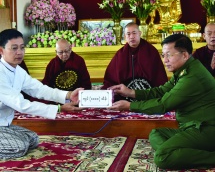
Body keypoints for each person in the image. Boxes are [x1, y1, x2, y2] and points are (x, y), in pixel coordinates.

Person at [108, 34, 215, 170]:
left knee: (162, 157)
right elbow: (161, 91)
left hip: (207, 129)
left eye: (169, 55)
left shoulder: (192, 76)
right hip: (190, 126)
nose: (165, 60)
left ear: (185, 55)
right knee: (156, 134)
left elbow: (163, 104)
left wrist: (129, 106)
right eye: (163, 55)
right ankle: (178, 152)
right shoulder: (183, 70)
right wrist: (130, 92)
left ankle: (209, 157)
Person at [0, 29, 83, 159]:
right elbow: (21, 105)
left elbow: (40, 89)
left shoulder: (18, 70)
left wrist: (68, 94)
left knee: (33, 139)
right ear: (1, 50)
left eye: (22, 48)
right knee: (19, 147)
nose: (19, 52)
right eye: (14, 48)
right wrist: (59, 108)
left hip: (4, 125)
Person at [102, 22, 168, 101]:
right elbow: (111, 78)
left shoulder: (151, 52)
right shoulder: (120, 55)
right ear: (125, 37)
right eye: (128, 34)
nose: (132, 37)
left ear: (140, 33)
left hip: (148, 97)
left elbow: (159, 77)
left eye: (134, 33)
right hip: (125, 99)